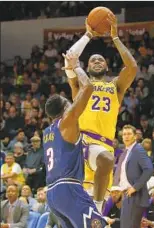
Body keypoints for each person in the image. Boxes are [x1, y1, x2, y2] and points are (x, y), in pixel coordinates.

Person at [64, 13, 137, 212]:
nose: (97, 61)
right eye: (93, 60)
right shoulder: (81, 84)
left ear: (106, 65)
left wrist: (115, 37)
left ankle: (97, 210)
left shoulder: (116, 86)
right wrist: (87, 35)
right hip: (82, 142)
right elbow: (70, 59)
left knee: (106, 161)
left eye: (101, 60)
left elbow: (132, 67)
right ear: (86, 67)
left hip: (103, 145)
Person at [43, 54, 108, 228]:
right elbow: (88, 88)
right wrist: (76, 66)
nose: (72, 104)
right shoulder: (67, 121)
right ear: (65, 107)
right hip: (68, 189)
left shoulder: (47, 132)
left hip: (52, 194)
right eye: (69, 103)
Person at [113, 125, 154, 228]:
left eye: (129, 134)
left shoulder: (138, 150)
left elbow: (149, 169)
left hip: (135, 195)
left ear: (135, 136)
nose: (126, 136)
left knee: (128, 226)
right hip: (127, 194)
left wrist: (135, 187)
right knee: (126, 225)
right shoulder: (127, 151)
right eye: (124, 134)